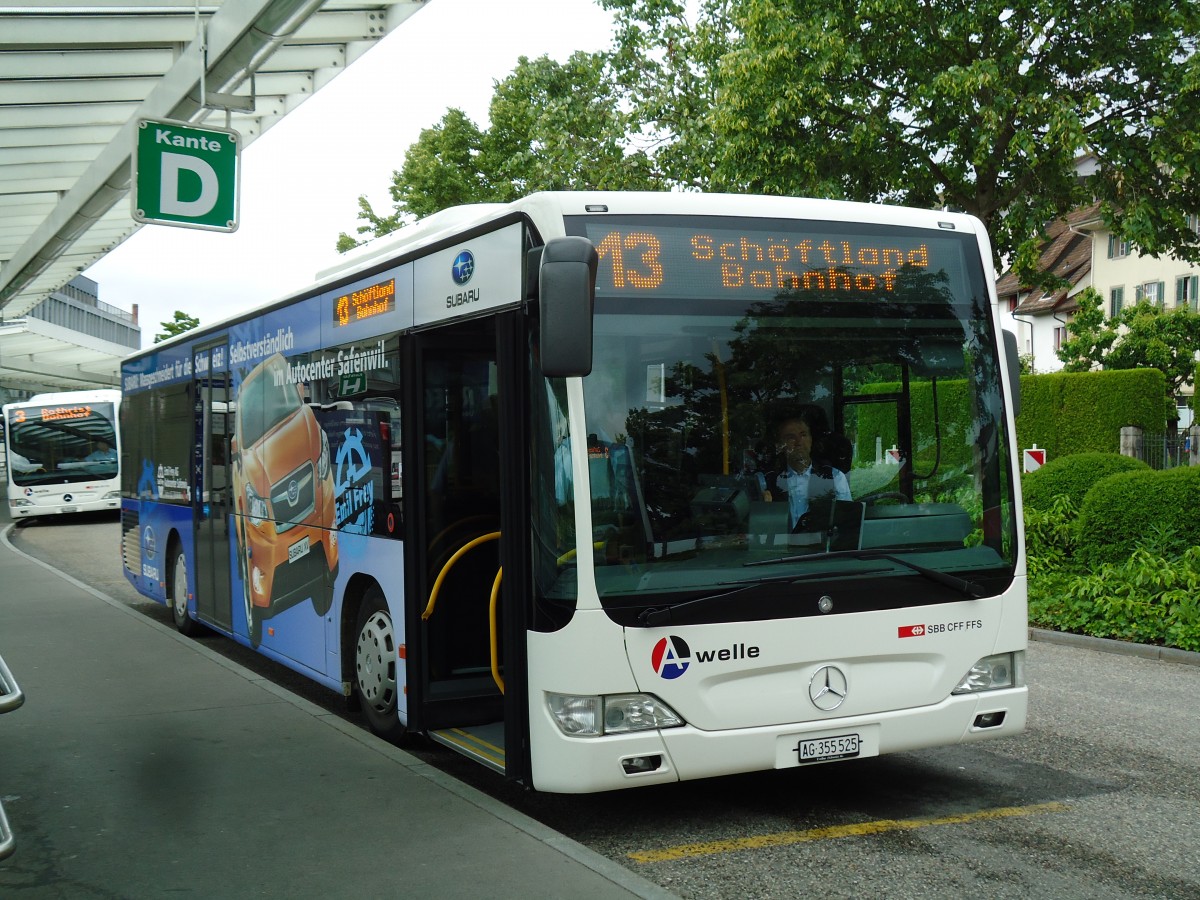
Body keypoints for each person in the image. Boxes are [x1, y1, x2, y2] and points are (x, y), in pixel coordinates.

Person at [763, 410, 851, 531]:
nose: (799, 442)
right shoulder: (769, 481)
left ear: (811, 440)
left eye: (803, 435)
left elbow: (847, 523)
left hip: (820, 542)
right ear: (780, 445)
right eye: (791, 437)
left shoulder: (835, 477)